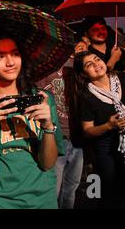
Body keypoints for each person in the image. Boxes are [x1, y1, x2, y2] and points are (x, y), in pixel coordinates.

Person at [0, 37, 64, 209]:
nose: (10, 62)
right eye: (0, 56)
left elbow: (48, 164)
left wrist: (48, 126)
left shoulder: (43, 99)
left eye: (15, 54)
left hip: (41, 199)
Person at [73, 51, 125, 208]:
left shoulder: (124, 78)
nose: (96, 64)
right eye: (89, 64)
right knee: (114, 191)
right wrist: (109, 126)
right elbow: (87, 130)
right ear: (84, 74)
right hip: (107, 148)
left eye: (97, 59)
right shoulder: (86, 95)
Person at [36, 43, 84, 209]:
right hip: (56, 136)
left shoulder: (77, 66)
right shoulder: (43, 68)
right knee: (53, 189)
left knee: (71, 187)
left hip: (77, 136)